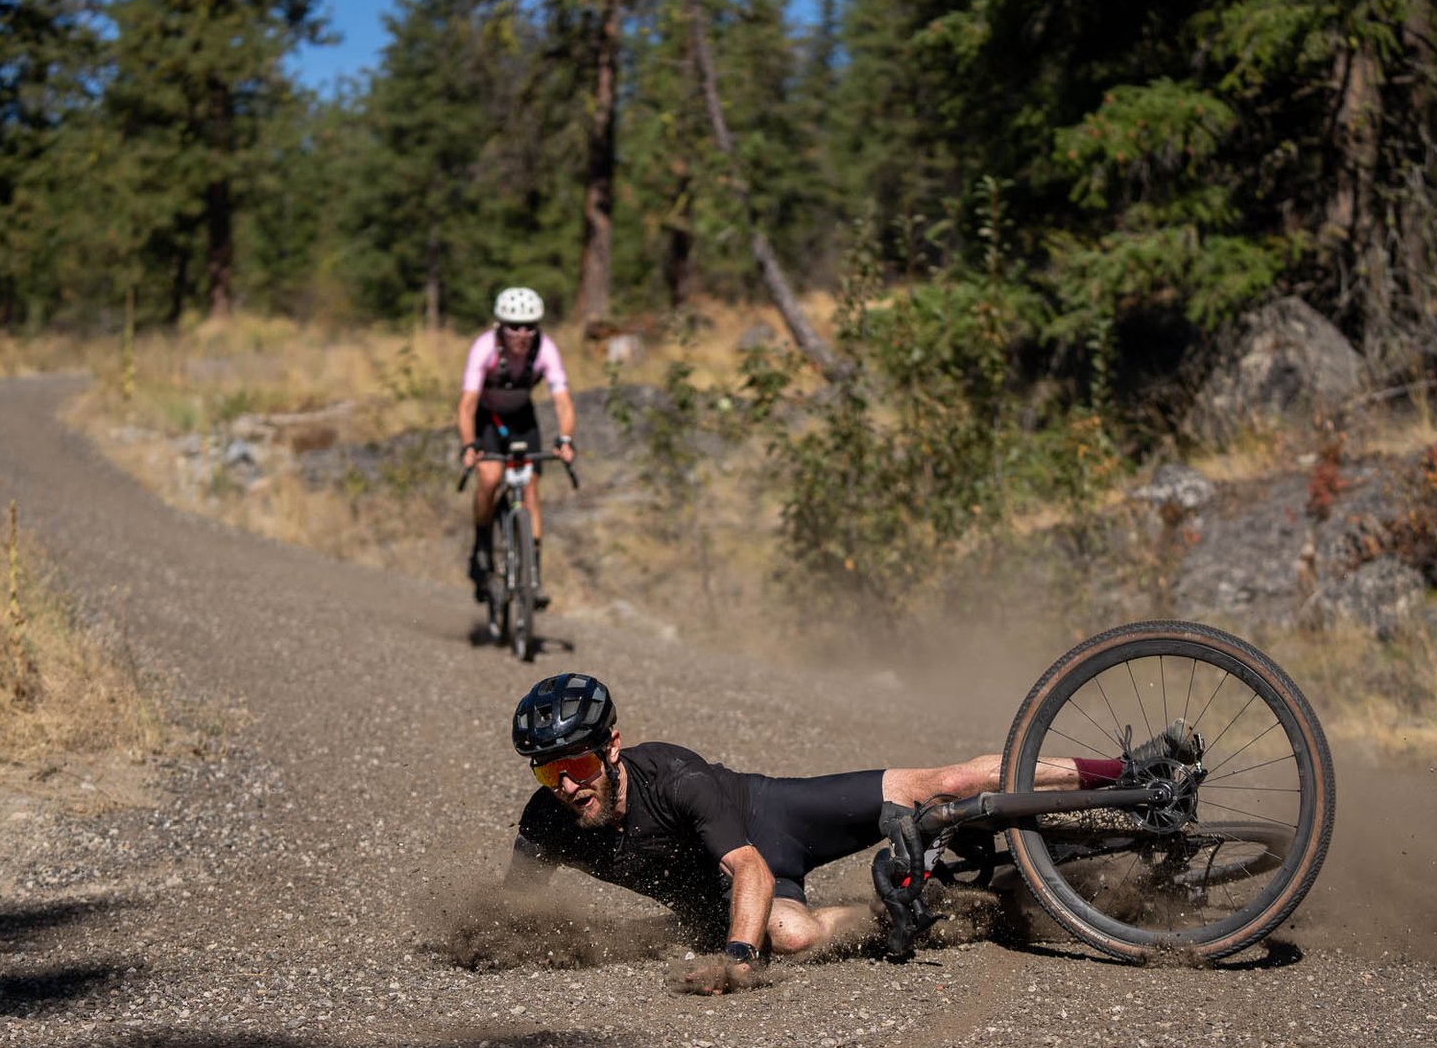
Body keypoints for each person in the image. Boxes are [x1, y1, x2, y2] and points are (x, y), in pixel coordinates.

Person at [501, 673, 1201, 992]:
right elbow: (516, 912)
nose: (567, 784)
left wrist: (737, 961)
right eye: (547, 773)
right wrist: (500, 937)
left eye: (579, 762)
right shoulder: (547, 820)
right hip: (734, 888)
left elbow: (749, 868)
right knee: (798, 933)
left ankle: (1127, 770)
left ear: (611, 746)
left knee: (943, 784)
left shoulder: (675, 778)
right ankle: (933, 907)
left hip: (769, 821)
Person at [458, 287, 576, 609]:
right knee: (490, 478)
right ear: (500, 325)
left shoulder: (545, 350)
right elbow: (467, 405)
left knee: (531, 490)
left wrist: (565, 439)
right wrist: (469, 445)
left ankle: (533, 578)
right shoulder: (484, 349)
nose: (522, 334)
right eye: (514, 326)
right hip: (488, 419)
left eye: (529, 326)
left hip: (523, 419)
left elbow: (562, 402)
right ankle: (482, 547)